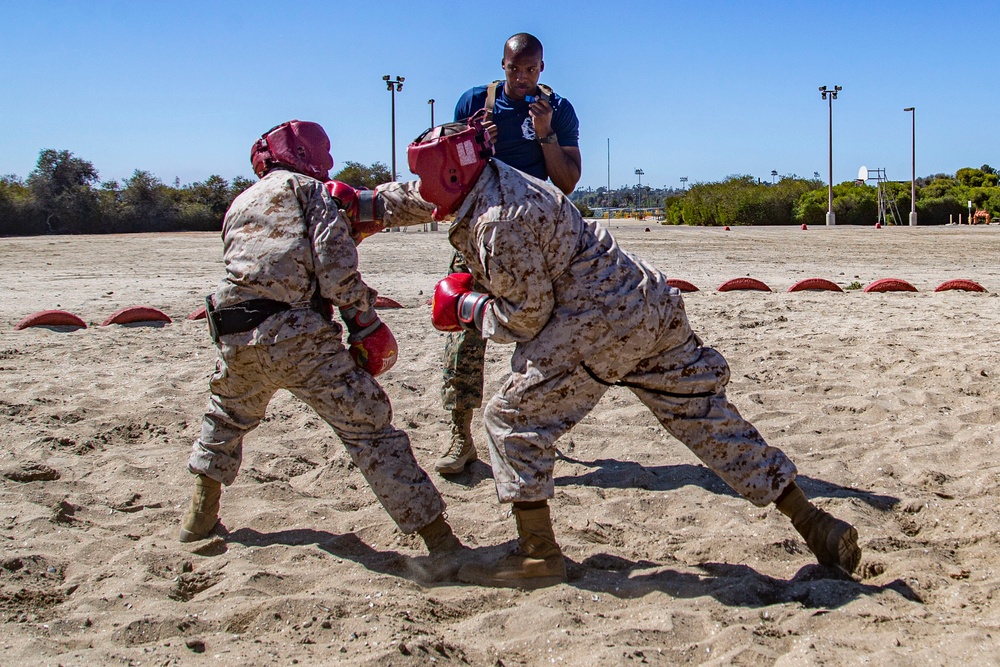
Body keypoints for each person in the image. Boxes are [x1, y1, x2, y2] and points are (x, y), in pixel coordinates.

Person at [406, 118, 862, 589]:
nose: (420, 188)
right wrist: (360, 206)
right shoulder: (499, 176)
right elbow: (415, 197)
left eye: (424, 176)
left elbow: (526, 318)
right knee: (703, 416)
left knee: (511, 417)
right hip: (649, 302)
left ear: (453, 176)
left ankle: (537, 554)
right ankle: (814, 524)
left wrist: (468, 306)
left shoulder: (497, 221)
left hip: (596, 322)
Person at [178, 120, 464, 575]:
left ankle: (198, 519)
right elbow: (333, 267)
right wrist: (363, 321)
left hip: (233, 333)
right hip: (294, 331)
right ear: (306, 152)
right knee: (369, 426)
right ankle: (442, 543)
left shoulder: (240, 202)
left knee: (226, 416)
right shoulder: (310, 191)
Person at [435, 32, 582, 475]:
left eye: (530, 69)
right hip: (478, 236)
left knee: (546, 337)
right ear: (502, 65)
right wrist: (473, 140)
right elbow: (447, 172)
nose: (521, 77)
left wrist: (545, 135)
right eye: (513, 68)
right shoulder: (474, 102)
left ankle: (535, 431)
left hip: (535, 240)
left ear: (542, 69)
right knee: (462, 330)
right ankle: (460, 437)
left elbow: (568, 181)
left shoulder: (558, 110)